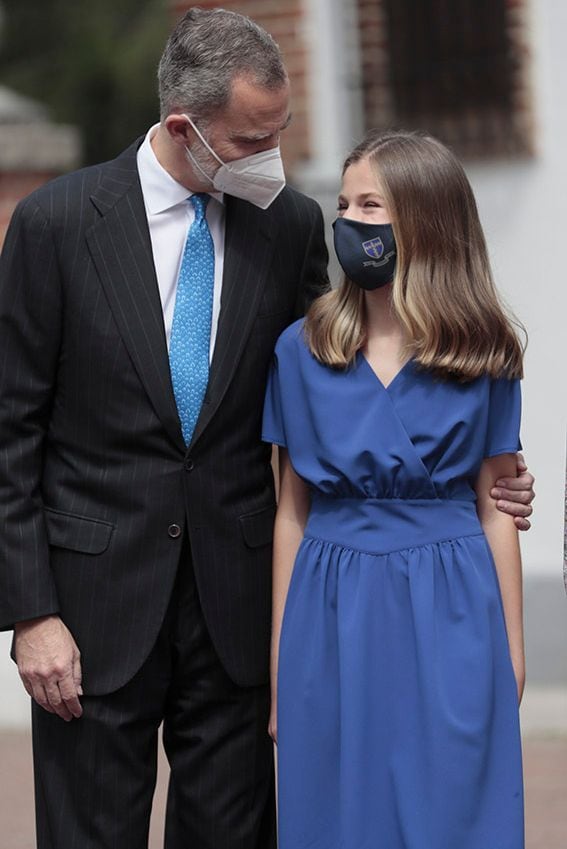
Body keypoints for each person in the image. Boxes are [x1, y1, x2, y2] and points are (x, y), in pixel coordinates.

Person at [0, 9, 532, 849]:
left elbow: (338, 373)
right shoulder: (56, 226)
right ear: (186, 127)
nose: (273, 156)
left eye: (280, 129)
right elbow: (11, 431)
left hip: (240, 611)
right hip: (93, 616)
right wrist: (31, 612)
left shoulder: (284, 226)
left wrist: (485, 470)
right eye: (254, 137)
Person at [263, 130, 528, 849]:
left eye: (370, 204)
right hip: (330, 602)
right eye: (343, 203)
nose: (348, 221)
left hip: (451, 601)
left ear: (423, 219)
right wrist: (280, 662)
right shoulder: (301, 348)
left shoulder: (484, 353)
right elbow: (290, 510)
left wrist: (511, 649)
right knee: (338, 814)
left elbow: (497, 507)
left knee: (455, 812)